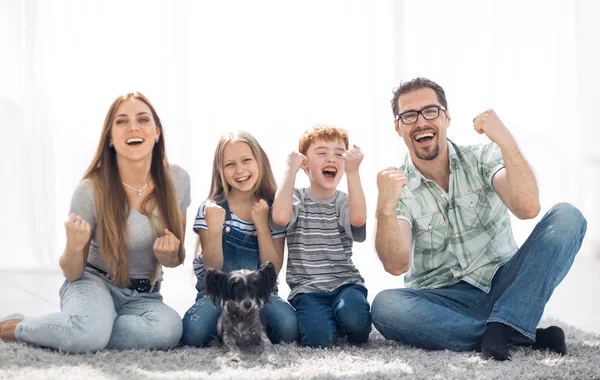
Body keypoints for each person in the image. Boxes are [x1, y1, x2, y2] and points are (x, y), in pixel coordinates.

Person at [371, 77, 587, 360]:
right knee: (384, 305)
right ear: (398, 127)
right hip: (444, 304)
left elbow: (527, 208)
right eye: (409, 115)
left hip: (504, 285)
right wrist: (385, 208)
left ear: (447, 117)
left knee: (568, 216)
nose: (421, 121)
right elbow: (396, 265)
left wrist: (506, 140)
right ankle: (510, 332)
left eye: (430, 111)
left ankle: (503, 322)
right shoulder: (398, 186)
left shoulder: (482, 157)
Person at [0, 92, 191, 352]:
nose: (133, 127)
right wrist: (74, 247)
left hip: (144, 295)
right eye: (122, 121)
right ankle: (17, 326)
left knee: (168, 330)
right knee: (88, 334)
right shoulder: (91, 190)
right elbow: (72, 272)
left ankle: (84, 326)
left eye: (143, 119)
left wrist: (167, 254)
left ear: (157, 132)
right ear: (111, 138)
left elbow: (176, 258)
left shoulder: (177, 181)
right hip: (92, 282)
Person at [181, 131, 298, 347]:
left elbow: (274, 267)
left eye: (246, 160)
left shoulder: (275, 209)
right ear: (220, 171)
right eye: (230, 164)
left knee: (288, 329)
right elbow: (212, 267)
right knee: (193, 334)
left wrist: (262, 224)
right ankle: (227, 323)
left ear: (259, 161)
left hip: (260, 295)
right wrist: (215, 230)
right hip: (218, 294)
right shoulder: (211, 209)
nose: (240, 170)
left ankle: (241, 326)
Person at [270, 124, 371, 348]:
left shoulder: (344, 200)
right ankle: (328, 319)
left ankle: (340, 316)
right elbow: (279, 217)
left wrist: (353, 172)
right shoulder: (295, 197)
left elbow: (358, 220)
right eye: (322, 153)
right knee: (318, 340)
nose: (331, 159)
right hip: (307, 290)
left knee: (357, 324)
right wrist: (290, 170)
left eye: (338, 153)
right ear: (305, 163)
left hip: (345, 284)